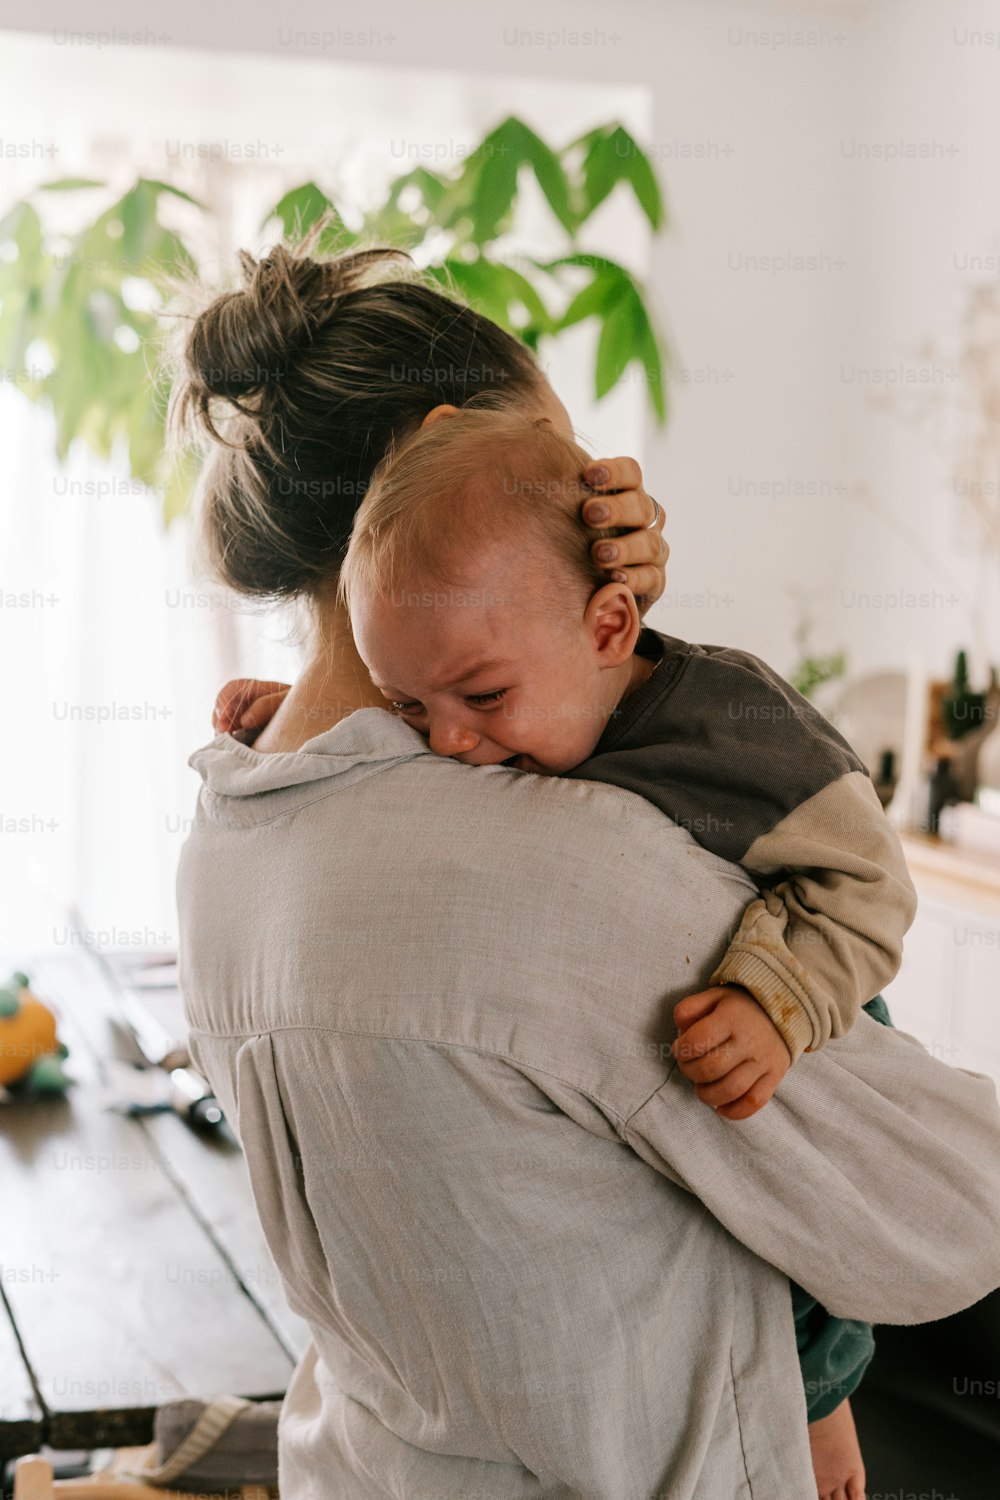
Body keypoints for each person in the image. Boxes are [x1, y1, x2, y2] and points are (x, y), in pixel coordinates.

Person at [174, 241, 1000, 1499]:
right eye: (562, 486)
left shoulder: (221, 842)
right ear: (442, 449)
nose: (603, 529)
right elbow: (946, 1218)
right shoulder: (553, 871)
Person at [335, 407, 917, 1121]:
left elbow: (873, 885)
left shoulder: (736, 727)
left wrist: (772, 1002)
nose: (446, 740)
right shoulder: (495, 715)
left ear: (610, 626)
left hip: (832, 1076)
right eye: (408, 705)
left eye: (483, 694)